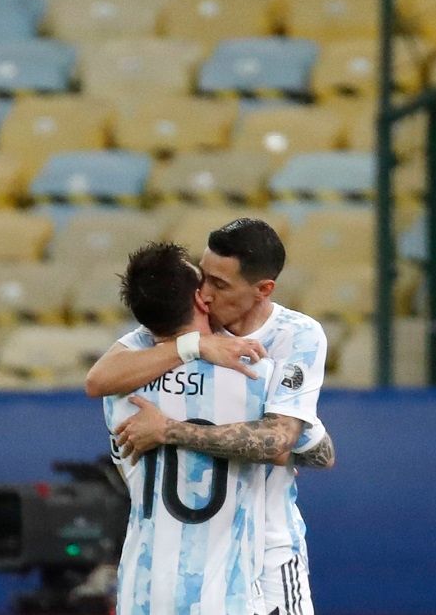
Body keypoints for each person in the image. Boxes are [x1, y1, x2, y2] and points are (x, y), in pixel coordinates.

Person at [89, 218, 335, 615]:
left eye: (219, 285)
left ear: (263, 290)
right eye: (203, 278)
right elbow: (303, 447)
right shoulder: (256, 373)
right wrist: (194, 346)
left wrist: (169, 429)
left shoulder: (297, 336)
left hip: (256, 553)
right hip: (233, 577)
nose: (205, 292)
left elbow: (101, 381)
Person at [104, 242, 274, 614]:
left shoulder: (119, 386)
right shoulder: (251, 373)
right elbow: (306, 446)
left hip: (141, 594)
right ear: (201, 300)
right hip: (224, 595)